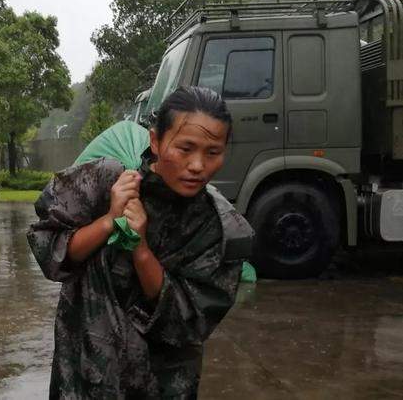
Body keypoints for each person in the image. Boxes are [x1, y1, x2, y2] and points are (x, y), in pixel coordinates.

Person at [27, 86, 253, 399]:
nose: (198, 165)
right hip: (84, 377)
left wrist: (141, 249)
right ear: (156, 140)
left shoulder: (216, 227)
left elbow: (189, 323)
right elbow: (50, 251)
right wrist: (108, 220)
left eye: (212, 153)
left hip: (160, 385)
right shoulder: (104, 179)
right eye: (186, 148)